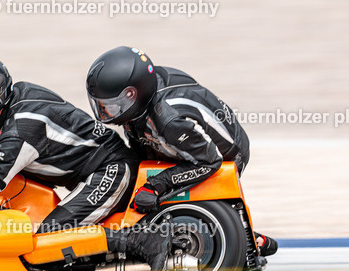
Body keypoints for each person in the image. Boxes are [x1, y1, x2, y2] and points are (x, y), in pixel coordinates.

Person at [0, 53, 172, 271]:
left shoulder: (21, 131)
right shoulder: (12, 106)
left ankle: (144, 241)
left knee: (49, 238)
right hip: (94, 169)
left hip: (110, 168)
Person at [85, 46, 278, 256]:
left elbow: (209, 162)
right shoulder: (144, 94)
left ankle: (240, 236)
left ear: (133, 95)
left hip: (222, 155)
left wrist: (157, 185)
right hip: (185, 139)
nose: (104, 112)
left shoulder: (170, 121)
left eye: (111, 106)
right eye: (101, 105)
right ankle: (245, 235)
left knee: (150, 197)